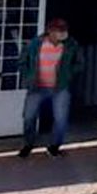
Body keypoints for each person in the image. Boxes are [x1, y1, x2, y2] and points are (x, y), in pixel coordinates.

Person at [17, 18, 84, 158]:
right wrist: (28, 76)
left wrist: (68, 74)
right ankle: (28, 144)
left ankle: (54, 146)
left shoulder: (71, 45)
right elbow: (23, 60)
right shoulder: (35, 44)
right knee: (28, 117)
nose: (62, 33)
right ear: (50, 31)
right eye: (58, 30)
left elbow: (79, 63)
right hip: (37, 87)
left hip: (60, 88)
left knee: (61, 119)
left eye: (63, 30)